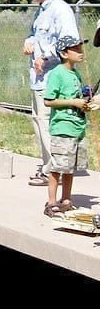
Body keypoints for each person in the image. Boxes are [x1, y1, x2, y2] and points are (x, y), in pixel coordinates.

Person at [18, 0, 79, 186]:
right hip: (38, 78)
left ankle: (55, 171)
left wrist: (45, 56)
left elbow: (70, 40)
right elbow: (36, 33)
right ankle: (48, 167)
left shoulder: (61, 11)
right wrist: (30, 40)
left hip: (53, 79)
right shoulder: (41, 10)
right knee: (39, 122)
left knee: (49, 124)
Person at [42, 35, 92, 217]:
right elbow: (48, 101)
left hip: (77, 128)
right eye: (76, 49)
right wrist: (73, 102)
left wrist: (86, 103)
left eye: (80, 48)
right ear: (64, 53)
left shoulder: (76, 74)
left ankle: (66, 199)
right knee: (58, 167)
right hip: (63, 129)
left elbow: (78, 98)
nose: (80, 52)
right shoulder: (57, 73)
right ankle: (52, 202)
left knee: (70, 168)